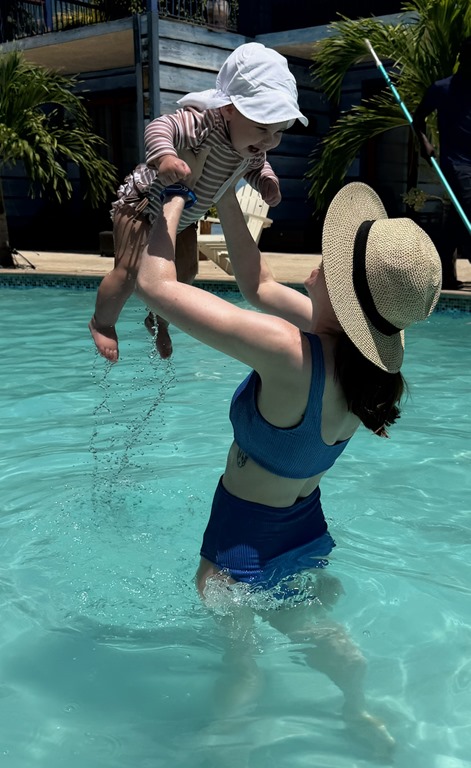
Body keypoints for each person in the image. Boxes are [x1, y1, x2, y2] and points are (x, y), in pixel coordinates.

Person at [134, 171, 442, 755]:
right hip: (302, 526)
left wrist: (171, 200)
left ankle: (226, 737)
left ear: (345, 295)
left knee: (240, 656)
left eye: (334, 258)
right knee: (305, 623)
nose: (322, 261)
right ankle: (354, 703)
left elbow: (154, 285)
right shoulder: (362, 364)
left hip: (240, 538)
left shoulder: (289, 353)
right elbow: (258, 283)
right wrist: (226, 190)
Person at [88, 42, 308, 362]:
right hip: (142, 207)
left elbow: (259, 165)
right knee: (128, 273)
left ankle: (159, 321)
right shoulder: (203, 123)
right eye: (263, 127)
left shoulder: (252, 145)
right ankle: (102, 323)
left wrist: (266, 182)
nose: (268, 141)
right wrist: (165, 157)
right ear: (229, 108)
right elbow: (160, 126)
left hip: (185, 217)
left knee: (185, 277)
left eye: (278, 132)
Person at [413, 36, 471, 289]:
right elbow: (418, 118)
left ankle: (445, 275)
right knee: (468, 210)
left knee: (456, 222)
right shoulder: (442, 88)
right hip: (455, 163)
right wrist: (424, 142)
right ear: (463, 58)